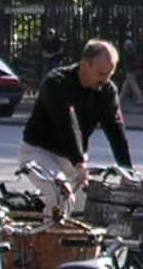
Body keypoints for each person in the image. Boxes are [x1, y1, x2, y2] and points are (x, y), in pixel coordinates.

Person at [18, 39, 133, 217]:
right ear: (86, 64)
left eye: (109, 75)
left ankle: (53, 220)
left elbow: (115, 131)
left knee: (87, 206)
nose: (105, 80)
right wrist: (79, 164)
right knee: (61, 193)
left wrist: (128, 172)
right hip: (39, 151)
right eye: (101, 74)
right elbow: (65, 125)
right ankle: (50, 233)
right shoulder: (56, 82)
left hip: (72, 156)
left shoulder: (107, 91)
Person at [118, 42, 143, 106]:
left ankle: (141, 99)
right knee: (125, 87)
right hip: (131, 71)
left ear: (127, 46)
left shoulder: (129, 53)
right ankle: (119, 100)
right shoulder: (132, 52)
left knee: (134, 86)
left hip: (130, 71)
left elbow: (129, 62)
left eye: (125, 45)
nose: (124, 46)